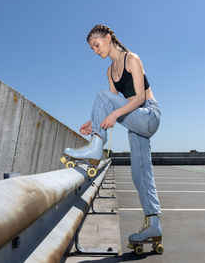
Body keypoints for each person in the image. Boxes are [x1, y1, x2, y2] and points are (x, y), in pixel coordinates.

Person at [64, 24, 162, 246]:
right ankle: (154, 224)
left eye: (96, 45)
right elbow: (111, 104)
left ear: (108, 38)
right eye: (92, 48)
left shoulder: (132, 59)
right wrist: (95, 122)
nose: (95, 51)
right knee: (140, 173)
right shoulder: (109, 71)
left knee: (102, 95)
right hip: (134, 121)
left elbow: (138, 99)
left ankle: (96, 147)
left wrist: (111, 116)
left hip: (149, 115)